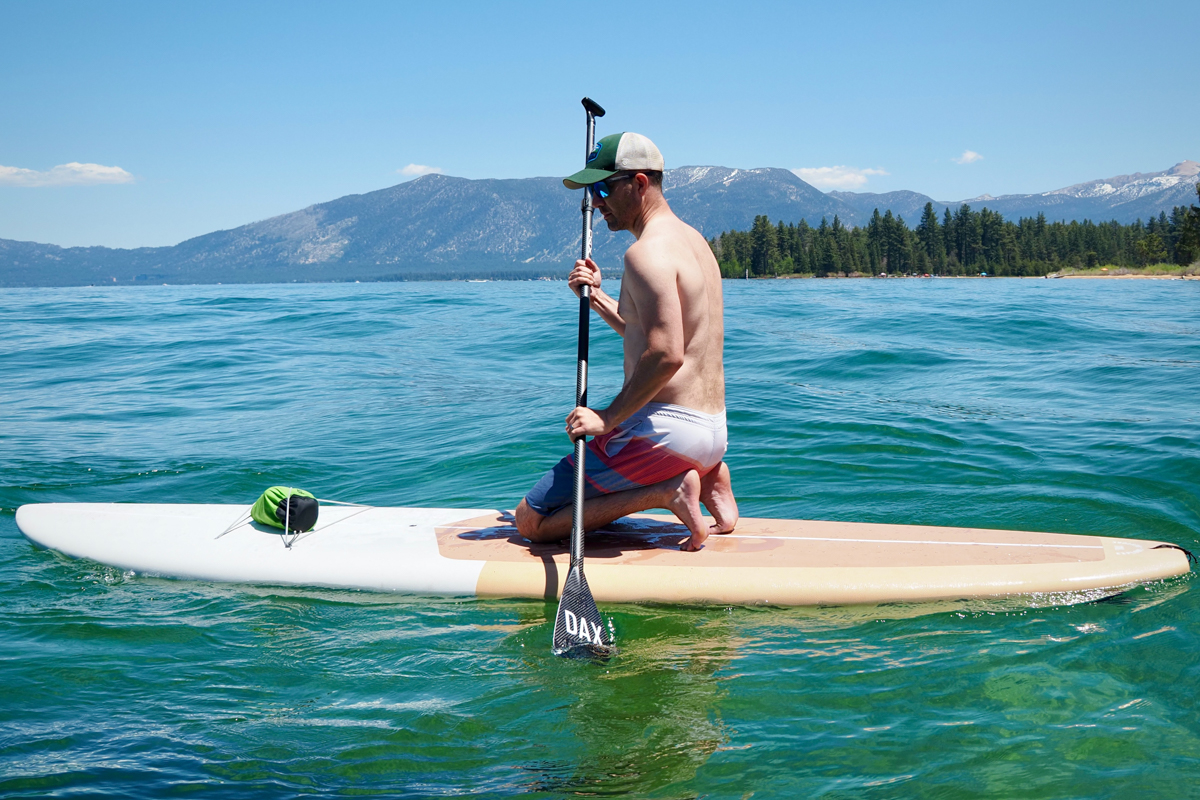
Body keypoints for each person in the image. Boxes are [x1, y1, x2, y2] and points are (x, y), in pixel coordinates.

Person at [514, 132, 738, 552]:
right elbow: (661, 336)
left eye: (603, 189)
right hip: (712, 431)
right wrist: (596, 296)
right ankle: (709, 477)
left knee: (531, 521)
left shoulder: (645, 253)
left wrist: (608, 418)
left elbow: (666, 355)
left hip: (663, 433)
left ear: (638, 184)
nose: (596, 203)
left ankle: (666, 492)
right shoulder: (695, 243)